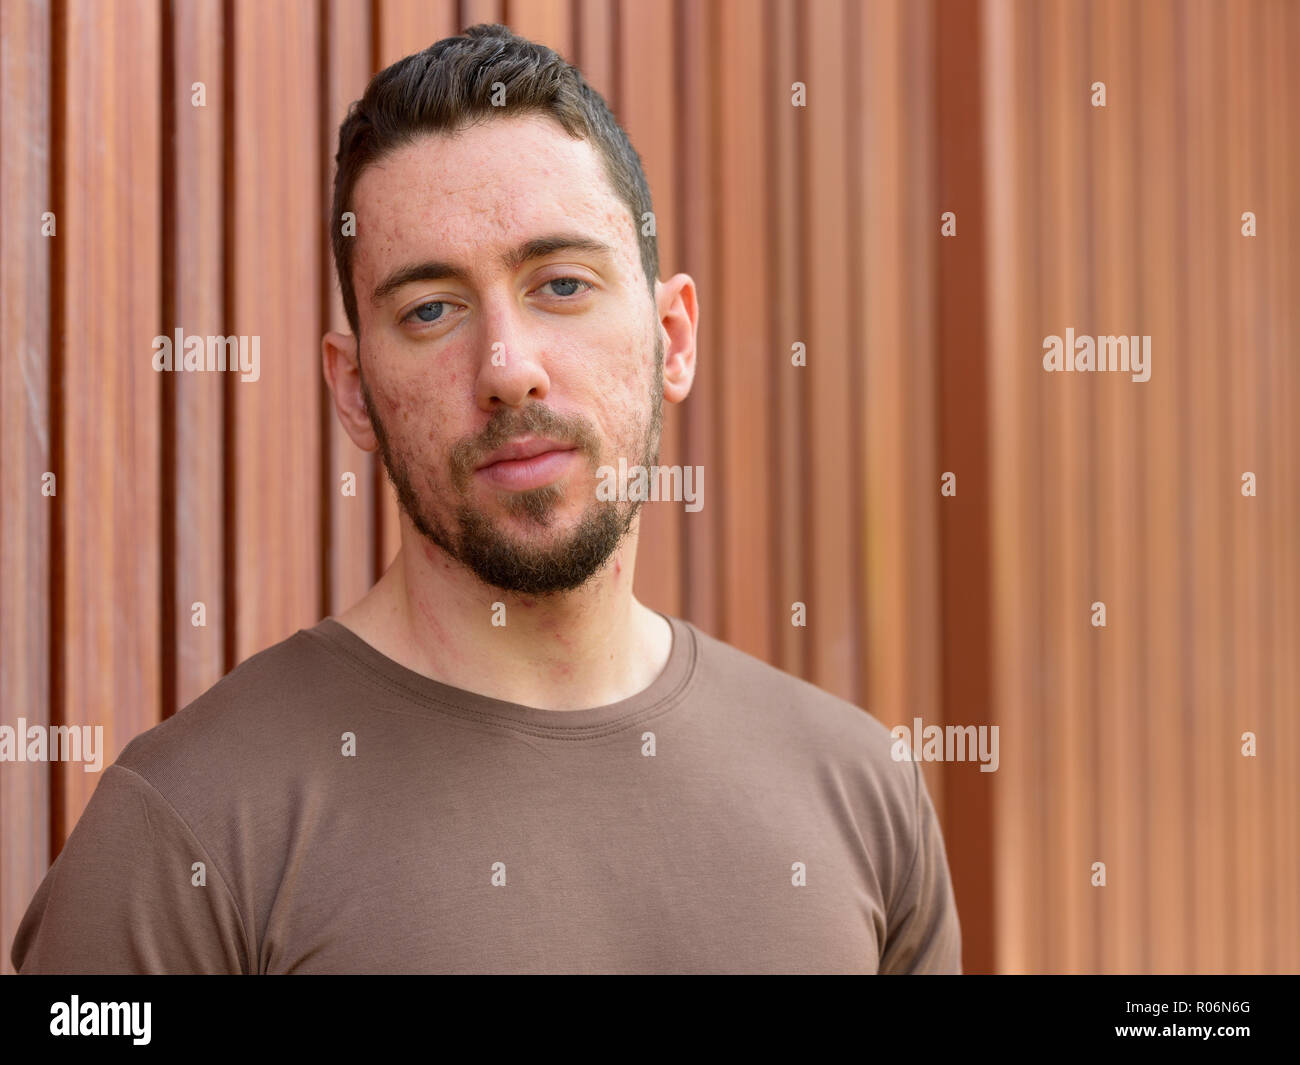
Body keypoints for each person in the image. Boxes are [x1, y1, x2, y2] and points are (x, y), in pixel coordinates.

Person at [12, 23, 960, 974]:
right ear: (355, 392)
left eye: (561, 283)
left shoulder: (860, 793)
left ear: (673, 337)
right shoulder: (186, 835)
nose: (508, 369)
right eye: (431, 309)